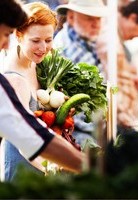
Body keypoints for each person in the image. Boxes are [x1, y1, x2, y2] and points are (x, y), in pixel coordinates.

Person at [0, 0, 86, 181]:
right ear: (19, 35)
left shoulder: (35, 64)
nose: (43, 48)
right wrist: (55, 169)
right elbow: (25, 141)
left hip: (44, 159)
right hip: (25, 168)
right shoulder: (13, 79)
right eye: (35, 41)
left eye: (48, 40)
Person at [97, 0, 138, 128]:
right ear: (133, 18)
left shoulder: (114, 37)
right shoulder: (109, 37)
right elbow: (116, 87)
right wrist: (137, 127)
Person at [53, 0, 108, 146]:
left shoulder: (94, 41)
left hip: (99, 128)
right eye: (90, 18)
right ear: (71, 17)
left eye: (98, 19)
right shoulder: (61, 47)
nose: (96, 24)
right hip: (76, 132)